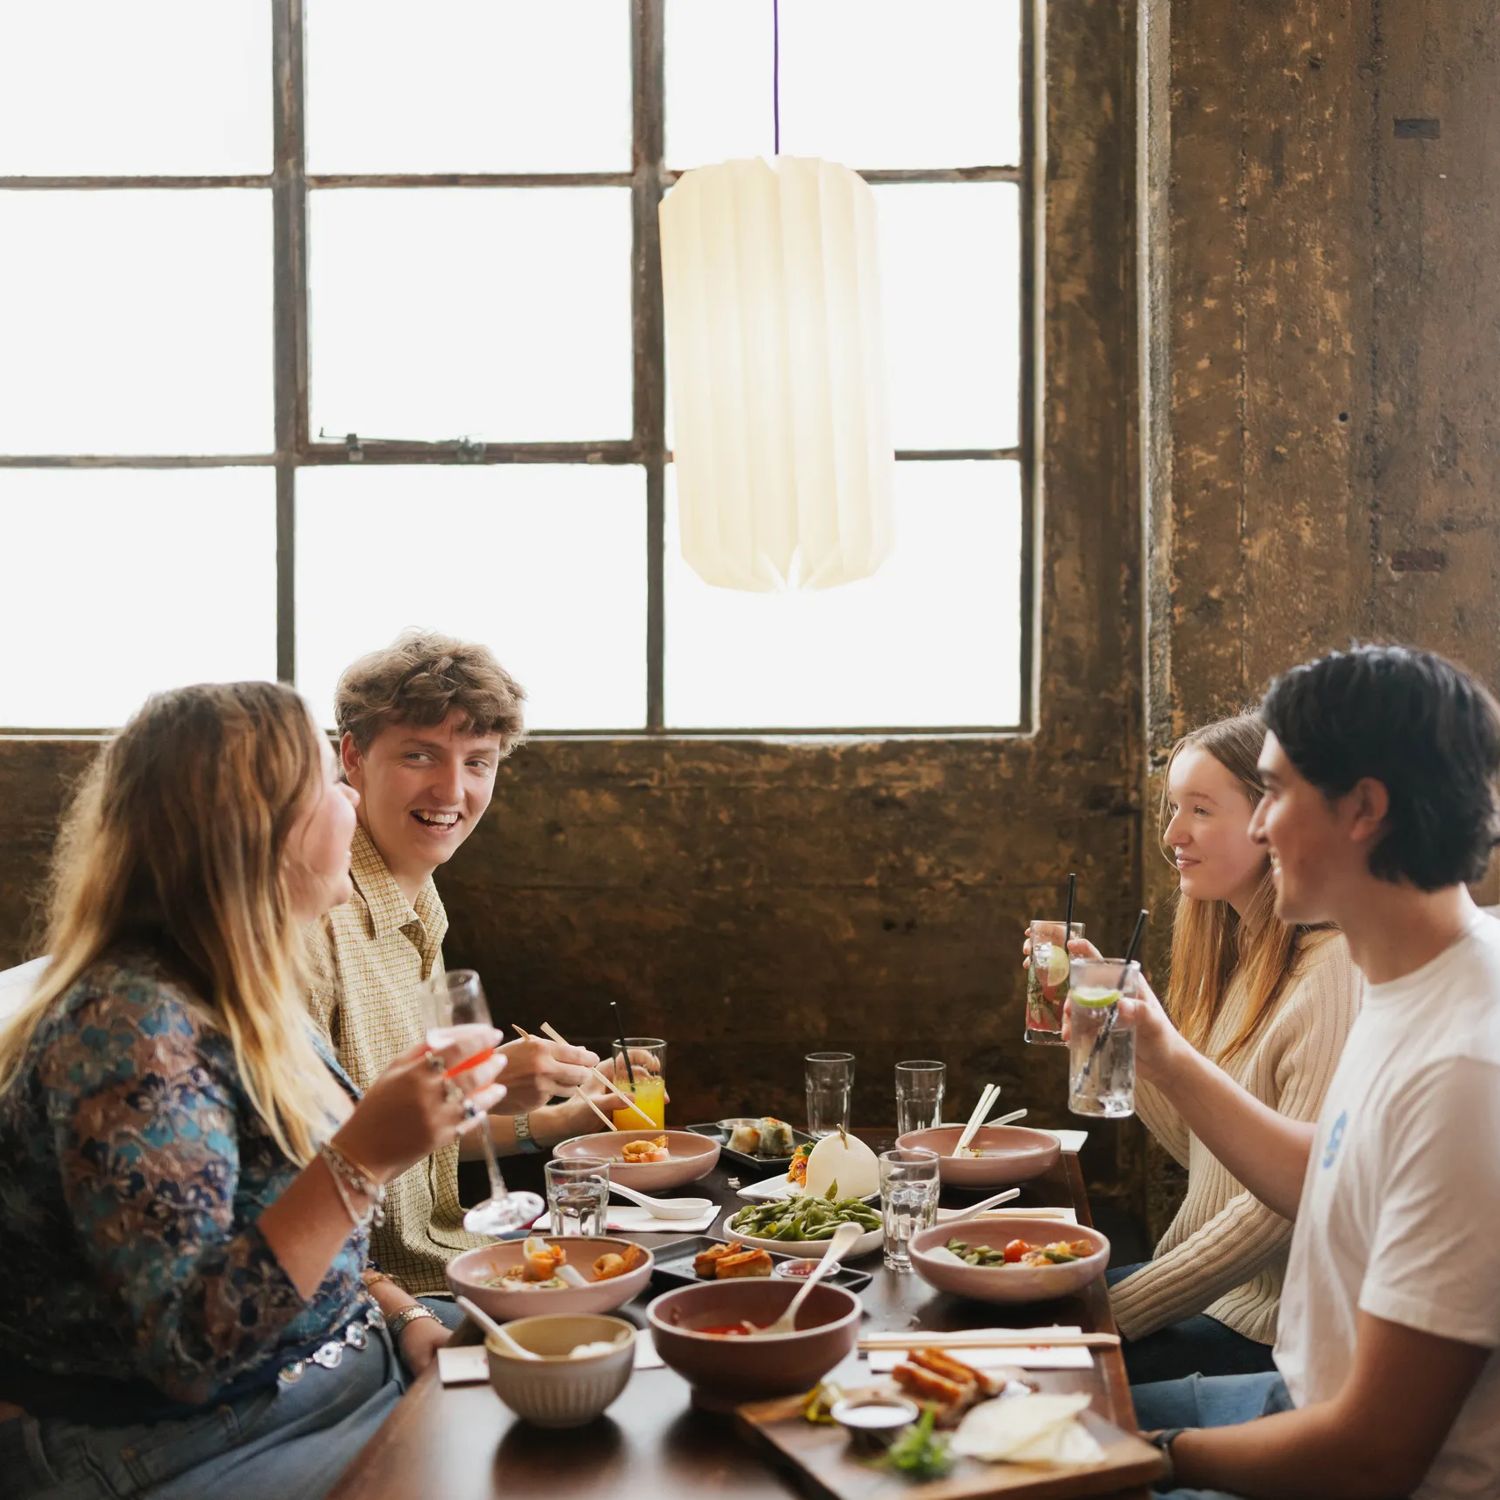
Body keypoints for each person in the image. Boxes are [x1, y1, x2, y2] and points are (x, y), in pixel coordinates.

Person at [0, 681, 508, 1500]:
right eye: (326, 784)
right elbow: (190, 1352)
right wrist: (361, 1159)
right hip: (179, 1445)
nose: (350, 801)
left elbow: (312, 1258)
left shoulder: (232, 985)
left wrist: (405, 1318)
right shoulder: (128, 1032)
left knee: (598, 1361)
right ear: (255, 832)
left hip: (336, 1376)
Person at [1101, 646, 1500, 1500]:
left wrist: (1145, 1458)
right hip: (1294, 1387)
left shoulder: (1467, 1069)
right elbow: (1331, 1170)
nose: (1254, 828)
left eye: (1273, 792)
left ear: (1364, 810)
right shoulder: (1409, 975)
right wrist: (1163, 1054)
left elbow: (1372, 1457)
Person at [307, 632, 635, 1322]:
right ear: (353, 758)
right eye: (420, 755)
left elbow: (410, 1134)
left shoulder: (421, 897)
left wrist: (552, 1122)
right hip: (388, 1298)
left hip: (459, 1254)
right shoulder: (316, 916)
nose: (452, 791)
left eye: (478, 762)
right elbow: (310, 1173)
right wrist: (404, 1317)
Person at [1090, 715, 1358, 1382]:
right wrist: (1117, 1039)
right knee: (984, 1314)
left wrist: (1118, 1312)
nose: (1172, 835)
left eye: (1200, 811)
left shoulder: (1331, 974)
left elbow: (1277, 1209)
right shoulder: (1238, 953)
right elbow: (1207, 1152)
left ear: (1270, 823)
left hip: (1271, 1330)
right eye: (1173, 808)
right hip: (1220, 1301)